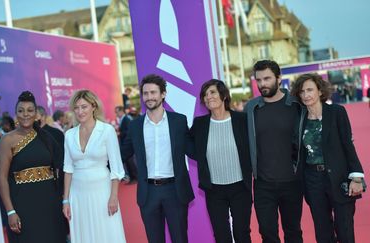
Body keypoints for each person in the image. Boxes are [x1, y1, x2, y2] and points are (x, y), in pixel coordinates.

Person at [290, 73, 365, 243]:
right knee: (323, 233)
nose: (306, 95)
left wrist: (357, 176)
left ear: (320, 91)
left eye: (310, 90)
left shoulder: (337, 112)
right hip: (313, 181)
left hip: (339, 178)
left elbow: (347, 144)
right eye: (302, 92)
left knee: (345, 231)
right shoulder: (299, 119)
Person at [121, 74, 195, 243]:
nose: (149, 97)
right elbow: (123, 153)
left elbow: (192, 150)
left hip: (175, 191)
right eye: (145, 93)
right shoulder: (135, 125)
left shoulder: (178, 121)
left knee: (180, 239)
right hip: (148, 192)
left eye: (153, 92)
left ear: (163, 94)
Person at [244, 60, 305, 243]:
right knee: (267, 233)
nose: (262, 84)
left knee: (293, 232)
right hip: (263, 184)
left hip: (292, 182)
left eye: (267, 79)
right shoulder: (251, 108)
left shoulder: (296, 106)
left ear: (279, 78)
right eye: (259, 80)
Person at [0, 91, 66, 243]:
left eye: (30, 110)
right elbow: (1, 178)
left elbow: (62, 163)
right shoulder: (7, 140)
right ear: (16, 114)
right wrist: (10, 211)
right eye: (21, 111)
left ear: (36, 114)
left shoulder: (46, 137)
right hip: (23, 205)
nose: (25, 114)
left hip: (50, 203)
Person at [189, 79, 252, 243]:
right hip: (214, 190)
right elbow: (188, 144)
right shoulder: (200, 124)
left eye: (212, 92)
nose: (208, 97)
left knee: (242, 233)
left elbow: (253, 146)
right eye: (205, 94)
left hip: (240, 187)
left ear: (223, 95)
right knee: (221, 235)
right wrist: (202, 158)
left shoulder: (241, 119)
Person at [62, 90, 126, 243]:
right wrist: (66, 200)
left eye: (84, 107)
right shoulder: (69, 135)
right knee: (84, 234)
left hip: (102, 192)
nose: (80, 111)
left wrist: (114, 196)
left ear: (93, 106)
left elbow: (116, 168)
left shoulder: (107, 130)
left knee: (107, 233)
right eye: (76, 108)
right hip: (77, 194)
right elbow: (68, 169)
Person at [115, 105, 138, 183]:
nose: (116, 114)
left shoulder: (126, 119)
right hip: (124, 143)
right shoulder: (122, 119)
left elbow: (128, 132)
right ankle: (132, 178)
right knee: (128, 163)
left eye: (117, 112)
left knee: (130, 162)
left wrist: (120, 133)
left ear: (121, 111)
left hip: (128, 144)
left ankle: (135, 178)